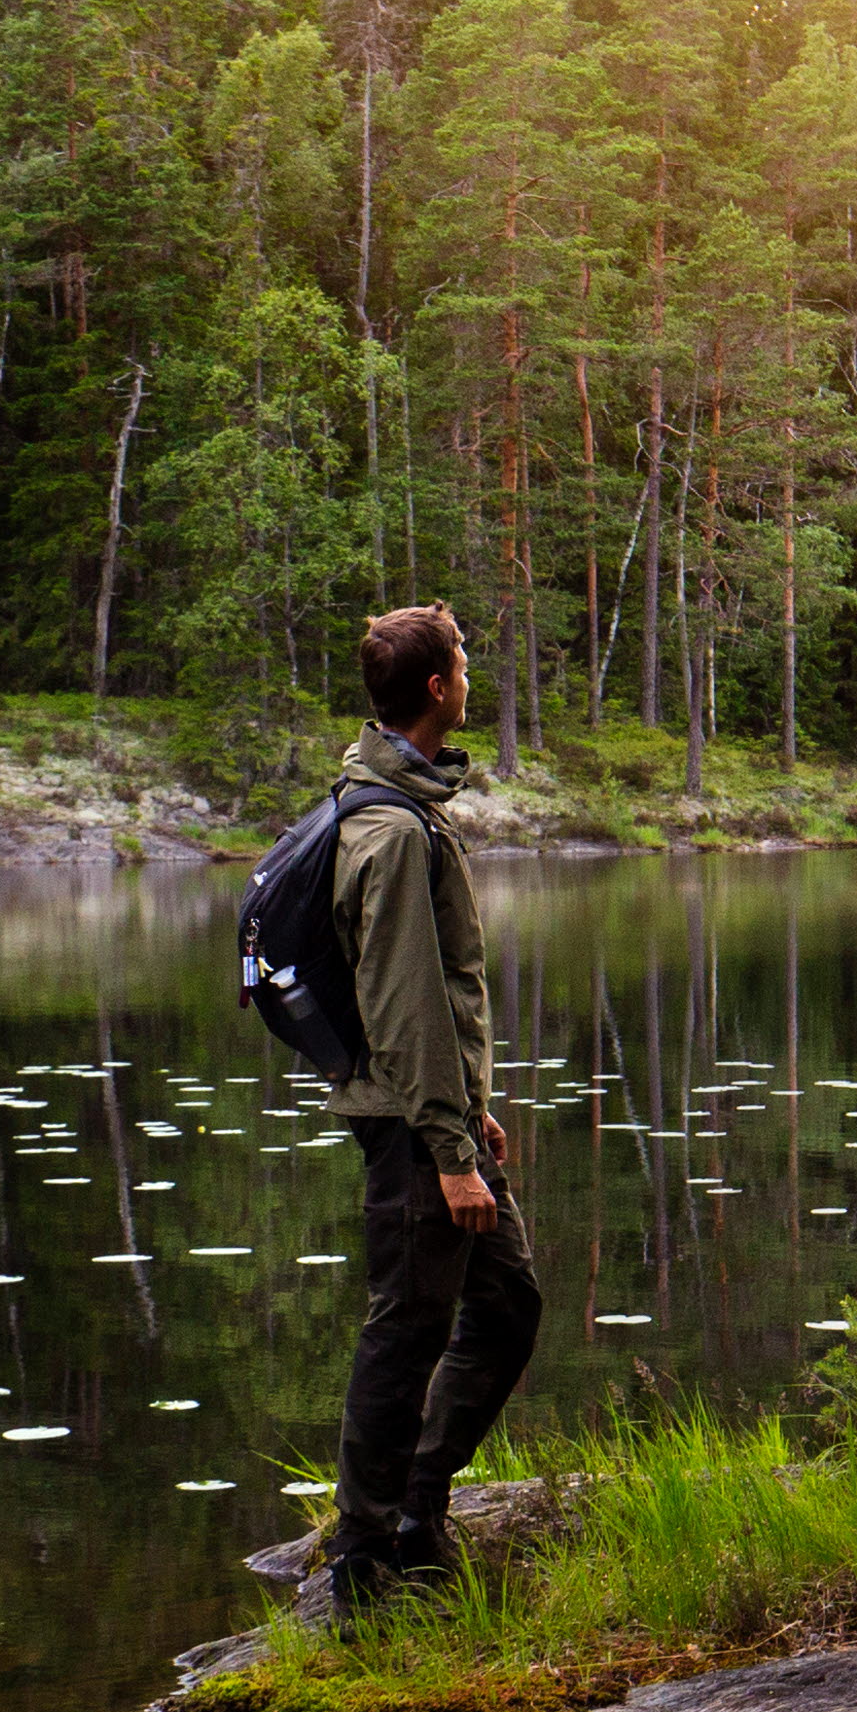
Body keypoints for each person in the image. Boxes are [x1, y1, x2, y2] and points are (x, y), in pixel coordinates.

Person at [315, 602, 540, 1609]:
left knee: (505, 1302)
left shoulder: (391, 799)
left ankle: (415, 1503)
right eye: (463, 661)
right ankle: (363, 1559)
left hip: (433, 1112)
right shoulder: (392, 827)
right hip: (413, 1130)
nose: (469, 673)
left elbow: (424, 999)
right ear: (440, 690)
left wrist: (468, 1108)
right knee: (407, 1326)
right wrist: (448, 1145)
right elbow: (402, 1000)